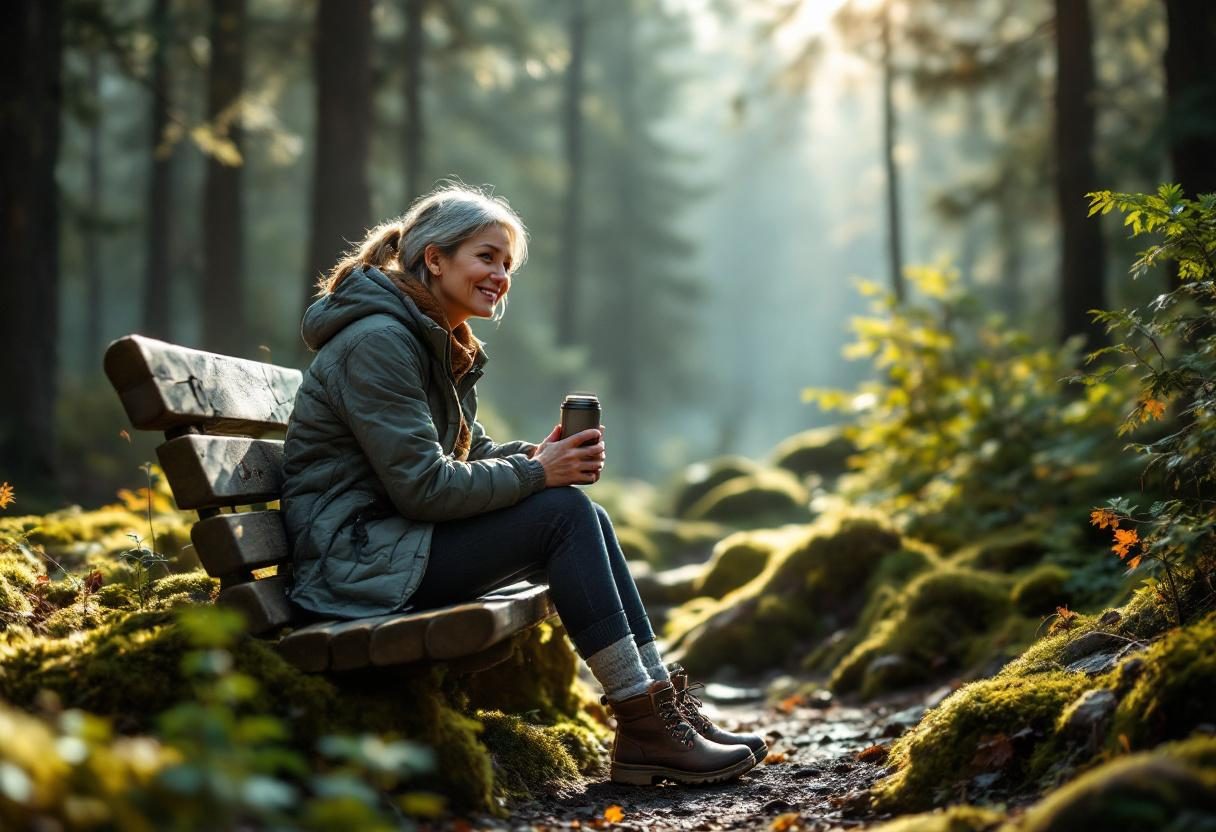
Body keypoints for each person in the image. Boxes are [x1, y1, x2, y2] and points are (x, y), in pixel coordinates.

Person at [281, 183, 766, 786]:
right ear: (435, 258)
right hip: (355, 562)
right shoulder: (380, 341)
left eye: (506, 265)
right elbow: (424, 488)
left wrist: (533, 458)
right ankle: (646, 726)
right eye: (486, 257)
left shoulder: (429, 337)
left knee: (579, 510)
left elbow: (464, 453)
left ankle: (660, 707)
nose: (500, 276)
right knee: (561, 512)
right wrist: (539, 474)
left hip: (391, 543)